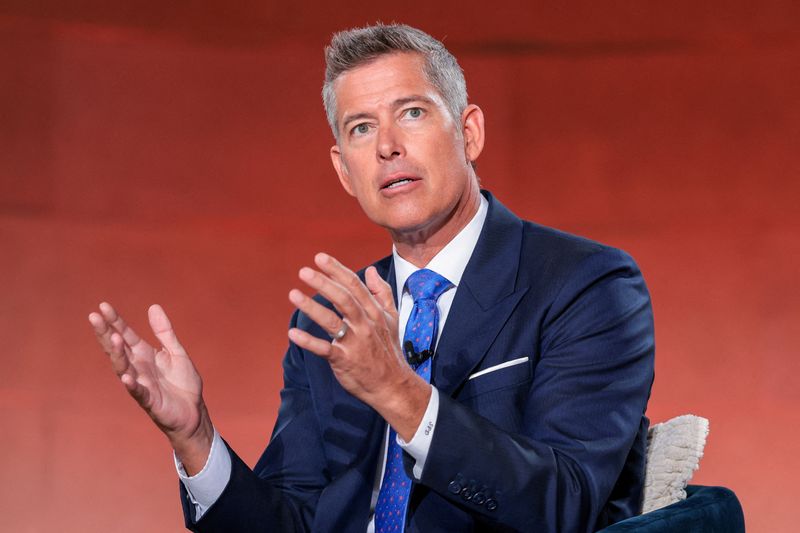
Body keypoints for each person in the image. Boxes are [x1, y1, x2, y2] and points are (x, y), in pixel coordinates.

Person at [89, 23, 654, 532]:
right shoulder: (334, 318)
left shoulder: (585, 283)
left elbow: (567, 503)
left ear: (469, 132)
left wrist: (398, 391)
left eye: (412, 112)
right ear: (344, 170)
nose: (387, 146)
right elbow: (295, 520)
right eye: (362, 128)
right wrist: (194, 439)